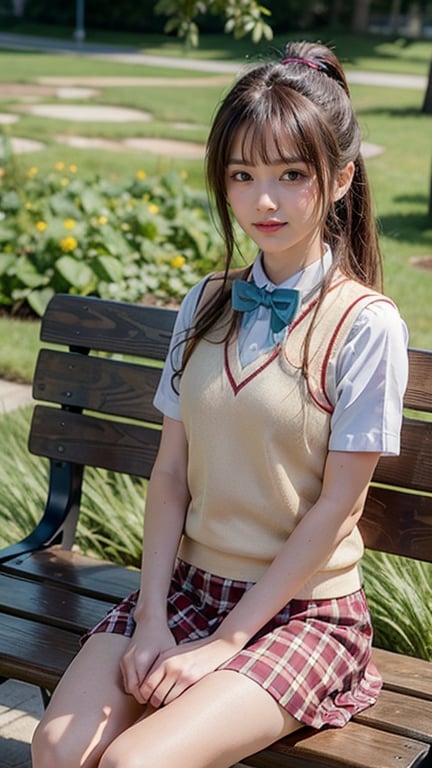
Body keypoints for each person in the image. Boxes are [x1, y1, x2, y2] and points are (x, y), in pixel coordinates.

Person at [32, 40, 408, 768]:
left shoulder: (366, 325)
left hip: (302, 613)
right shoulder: (206, 302)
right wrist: (149, 620)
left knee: (134, 764)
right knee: (56, 748)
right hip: (186, 590)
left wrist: (227, 643)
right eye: (243, 175)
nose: (263, 200)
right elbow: (170, 474)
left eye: (291, 175)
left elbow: (340, 508)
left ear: (339, 181)